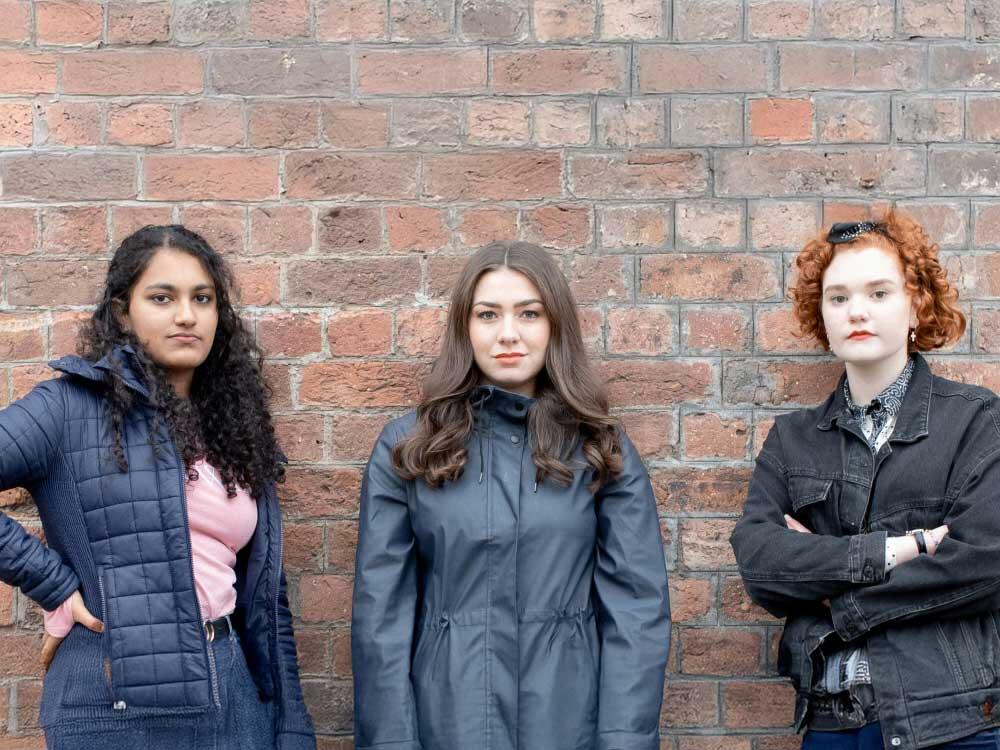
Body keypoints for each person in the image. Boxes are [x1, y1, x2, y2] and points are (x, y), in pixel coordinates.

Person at [0, 225, 315, 749]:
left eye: (203, 298)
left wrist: (290, 727)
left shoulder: (235, 430)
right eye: (162, 297)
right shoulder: (67, 408)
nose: (186, 315)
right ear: (123, 313)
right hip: (114, 710)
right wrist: (52, 584)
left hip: (235, 699)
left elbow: (266, 601)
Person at [351, 241, 671, 750]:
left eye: (529, 313)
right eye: (487, 314)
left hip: (568, 723)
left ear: (554, 326)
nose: (508, 334)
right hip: (447, 723)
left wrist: (624, 742)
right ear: (465, 327)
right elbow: (380, 622)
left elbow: (636, 612)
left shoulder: (598, 448)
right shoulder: (409, 448)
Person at [729, 210, 1000, 750]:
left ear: (915, 304)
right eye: (838, 297)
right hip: (833, 722)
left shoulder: (976, 421)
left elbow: (985, 560)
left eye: (879, 293)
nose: (857, 311)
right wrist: (902, 550)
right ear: (821, 316)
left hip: (950, 722)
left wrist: (840, 601)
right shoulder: (791, 440)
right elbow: (761, 563)